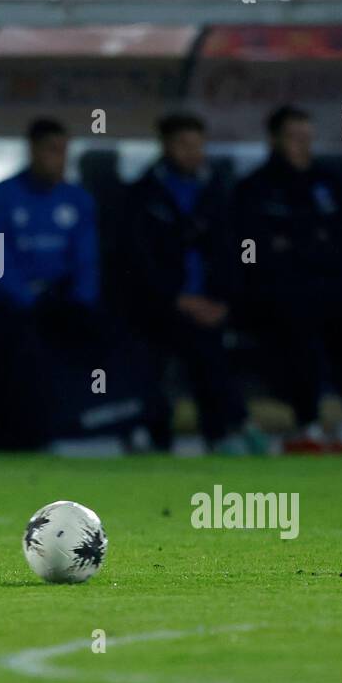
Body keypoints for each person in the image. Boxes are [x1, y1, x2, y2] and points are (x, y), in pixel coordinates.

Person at [0, 117, 101, 449]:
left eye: (64, 152)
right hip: (7, 306)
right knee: (12, 342)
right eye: (52, 150)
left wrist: (79, 302)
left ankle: (98, 423)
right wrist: (29, 301)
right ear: (33, 150)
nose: (59, 159)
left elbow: (86, 261)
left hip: (60, 303)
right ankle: (14, 437)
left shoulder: (78, 201)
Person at [123, 113, 260, 454]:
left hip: (210, 304)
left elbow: (233, 253)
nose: (193, 152)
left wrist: (223, 301)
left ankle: (221, 433)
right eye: (184, 144)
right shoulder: (142, 196)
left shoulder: (217, 193)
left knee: (210, 347)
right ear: (166, 146)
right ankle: (170, 433)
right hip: (158, 307)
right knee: (177, 350)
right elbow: (137, 262)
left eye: (198, 145)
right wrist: (177, 299)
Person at [234, 105, 342, 452]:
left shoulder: (333, 184)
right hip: (280, 294)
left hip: (335, 290)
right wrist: (307, 247)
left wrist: (296, 245)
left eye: (306, 136)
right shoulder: (254, 188)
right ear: (274, 139)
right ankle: (309, 426)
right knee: (296, 330)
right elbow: (252, 251)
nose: (301, 144)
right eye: (292, 137)